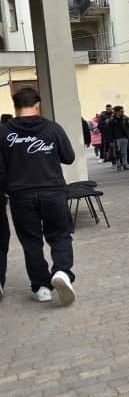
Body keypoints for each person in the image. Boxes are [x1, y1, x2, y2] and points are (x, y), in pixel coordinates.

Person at [0, 87, 77, 305]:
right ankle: (62, 271)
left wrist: (10, 187)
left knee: (31, 241)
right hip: (53, 191)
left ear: (15, 106)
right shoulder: (52, 128)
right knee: (60, 235)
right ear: (37, 105)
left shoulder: (3, 133)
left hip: (20, 195)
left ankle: (42, 287)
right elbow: (69, 157)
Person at [108, 105, 129, 171]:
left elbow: (128, 127)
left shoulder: (125, 118)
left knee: (124, 152)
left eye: (123, 111)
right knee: (117, 152)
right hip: (116, 138)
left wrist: (127, 134)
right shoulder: (112, 120)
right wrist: (110, 141)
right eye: (121, 111)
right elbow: (110, 131)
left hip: (124, 137)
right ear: (116, 112)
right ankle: (118, 165)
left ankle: (125, 164)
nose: (123, 112)